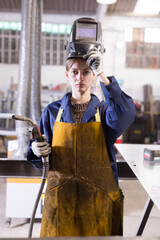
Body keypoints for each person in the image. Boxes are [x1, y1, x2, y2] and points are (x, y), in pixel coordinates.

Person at [27, 18, 135, 237]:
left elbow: (126, 114)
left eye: (87, 72)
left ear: (93, 75)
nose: (80, 78)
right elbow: (40, 158)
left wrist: (104, 76)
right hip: (61, 204)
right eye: (75, 72)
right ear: (67, 75)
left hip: (98, 205)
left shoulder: (105, 112)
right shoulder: (52, 112)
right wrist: (35, 151)